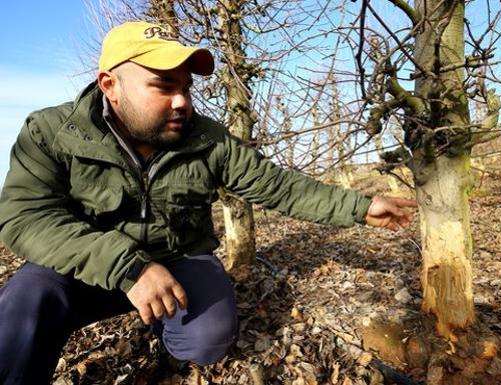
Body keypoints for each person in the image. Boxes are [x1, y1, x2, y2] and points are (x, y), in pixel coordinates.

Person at [0, 21, 416, 384]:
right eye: (164, 86)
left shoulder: (207, 137)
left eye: (185, 87)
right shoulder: (50, 131)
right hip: (89, 263)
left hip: (180, 258)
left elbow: (277, 185)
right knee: (25, 301)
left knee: (207, 340)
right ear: (110, 84)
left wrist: (358, 207)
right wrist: (128, 267)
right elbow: (25, 217)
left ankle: (167, 330)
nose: (182, 101)